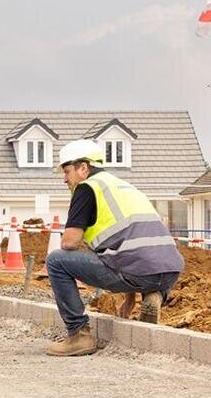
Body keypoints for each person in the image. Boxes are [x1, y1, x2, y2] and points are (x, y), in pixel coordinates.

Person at [45, 139, 183, 357]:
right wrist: (130, 299)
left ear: (84, 168)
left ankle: (78, 335)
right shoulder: (126, 187)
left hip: (135, 273)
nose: (64, 179)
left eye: (67, 171)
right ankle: (154, 295)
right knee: (142, 264)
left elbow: (70, 242)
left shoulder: (86, 188)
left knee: (56, 260)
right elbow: (132, 246)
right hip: (168, 274)